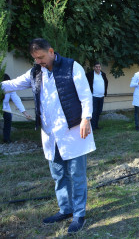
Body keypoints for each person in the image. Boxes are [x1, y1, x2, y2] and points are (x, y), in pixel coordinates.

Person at [1, 38, 95, 234]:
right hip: (51, 134)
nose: (39, 61)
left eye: (41, 57)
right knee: (58, 174)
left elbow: (86, 94)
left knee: (76, 175)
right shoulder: (36, 72)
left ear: (51, 51)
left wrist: (86, 118)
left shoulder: (71, 66)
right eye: (35, 58)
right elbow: (14, 84)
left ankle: (79, 215)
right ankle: (65, 209)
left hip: (73, 131)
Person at [2, 74, 32, 143]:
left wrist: (25, 113)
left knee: (8, 118)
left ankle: (6, 138)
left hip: (5, 107)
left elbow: (16, 100)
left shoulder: (11, 88)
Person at [86, 61, 108, 130]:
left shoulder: (103, 74)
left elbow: (106, 83)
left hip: (101, 96)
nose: (98, 68)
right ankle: (92, 127)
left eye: (99, 67)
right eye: (96, 67)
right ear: (94, 67)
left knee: (99, 111)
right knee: (94, 112)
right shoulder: (90, 75)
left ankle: (96, 125)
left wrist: (105, 92)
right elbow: (86, 84)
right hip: (94, 96)